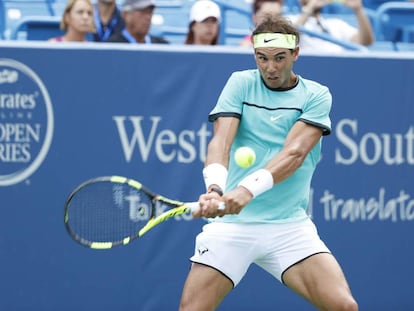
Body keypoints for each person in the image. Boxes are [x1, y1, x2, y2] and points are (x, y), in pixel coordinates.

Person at [179, 15, 358, 311]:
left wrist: (246, 190)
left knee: (343, 306)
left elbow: (294, 155)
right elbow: (220, 142)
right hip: (232, 227)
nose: (270, 68)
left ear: (295, 54)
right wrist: (215, 187)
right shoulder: (240, 83)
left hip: (288, 227)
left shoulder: (316, 94)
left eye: (279, 58)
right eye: (262, 58)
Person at [287, 0, 374, 52]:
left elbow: (365, 41)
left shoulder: (335, 23)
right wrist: (310, 8)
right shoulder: (291, 20)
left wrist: (358, 9)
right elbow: (289, 39)